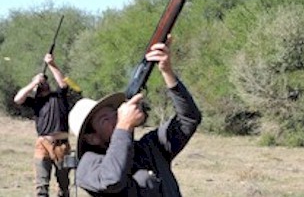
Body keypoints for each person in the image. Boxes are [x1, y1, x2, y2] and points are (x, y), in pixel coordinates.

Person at [69, 35, 202, 196]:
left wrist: (167, 72)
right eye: (105, 119)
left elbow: (189, 118)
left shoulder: (151, 146)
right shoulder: (88, 166)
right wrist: (124, 126)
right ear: (92, 138)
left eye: (114, 111)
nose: (117, 116)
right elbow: (111, 179)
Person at [14, 53, 71, 197]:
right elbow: (18, 99)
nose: (42, 83)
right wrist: (34, 82)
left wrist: (51, 64)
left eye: (44, 80)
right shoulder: (34, 102)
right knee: (41, 186)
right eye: (40, 82)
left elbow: (63, 83)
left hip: (61, 146)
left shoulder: (58, 97)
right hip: (42, 144)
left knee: (63, 185)